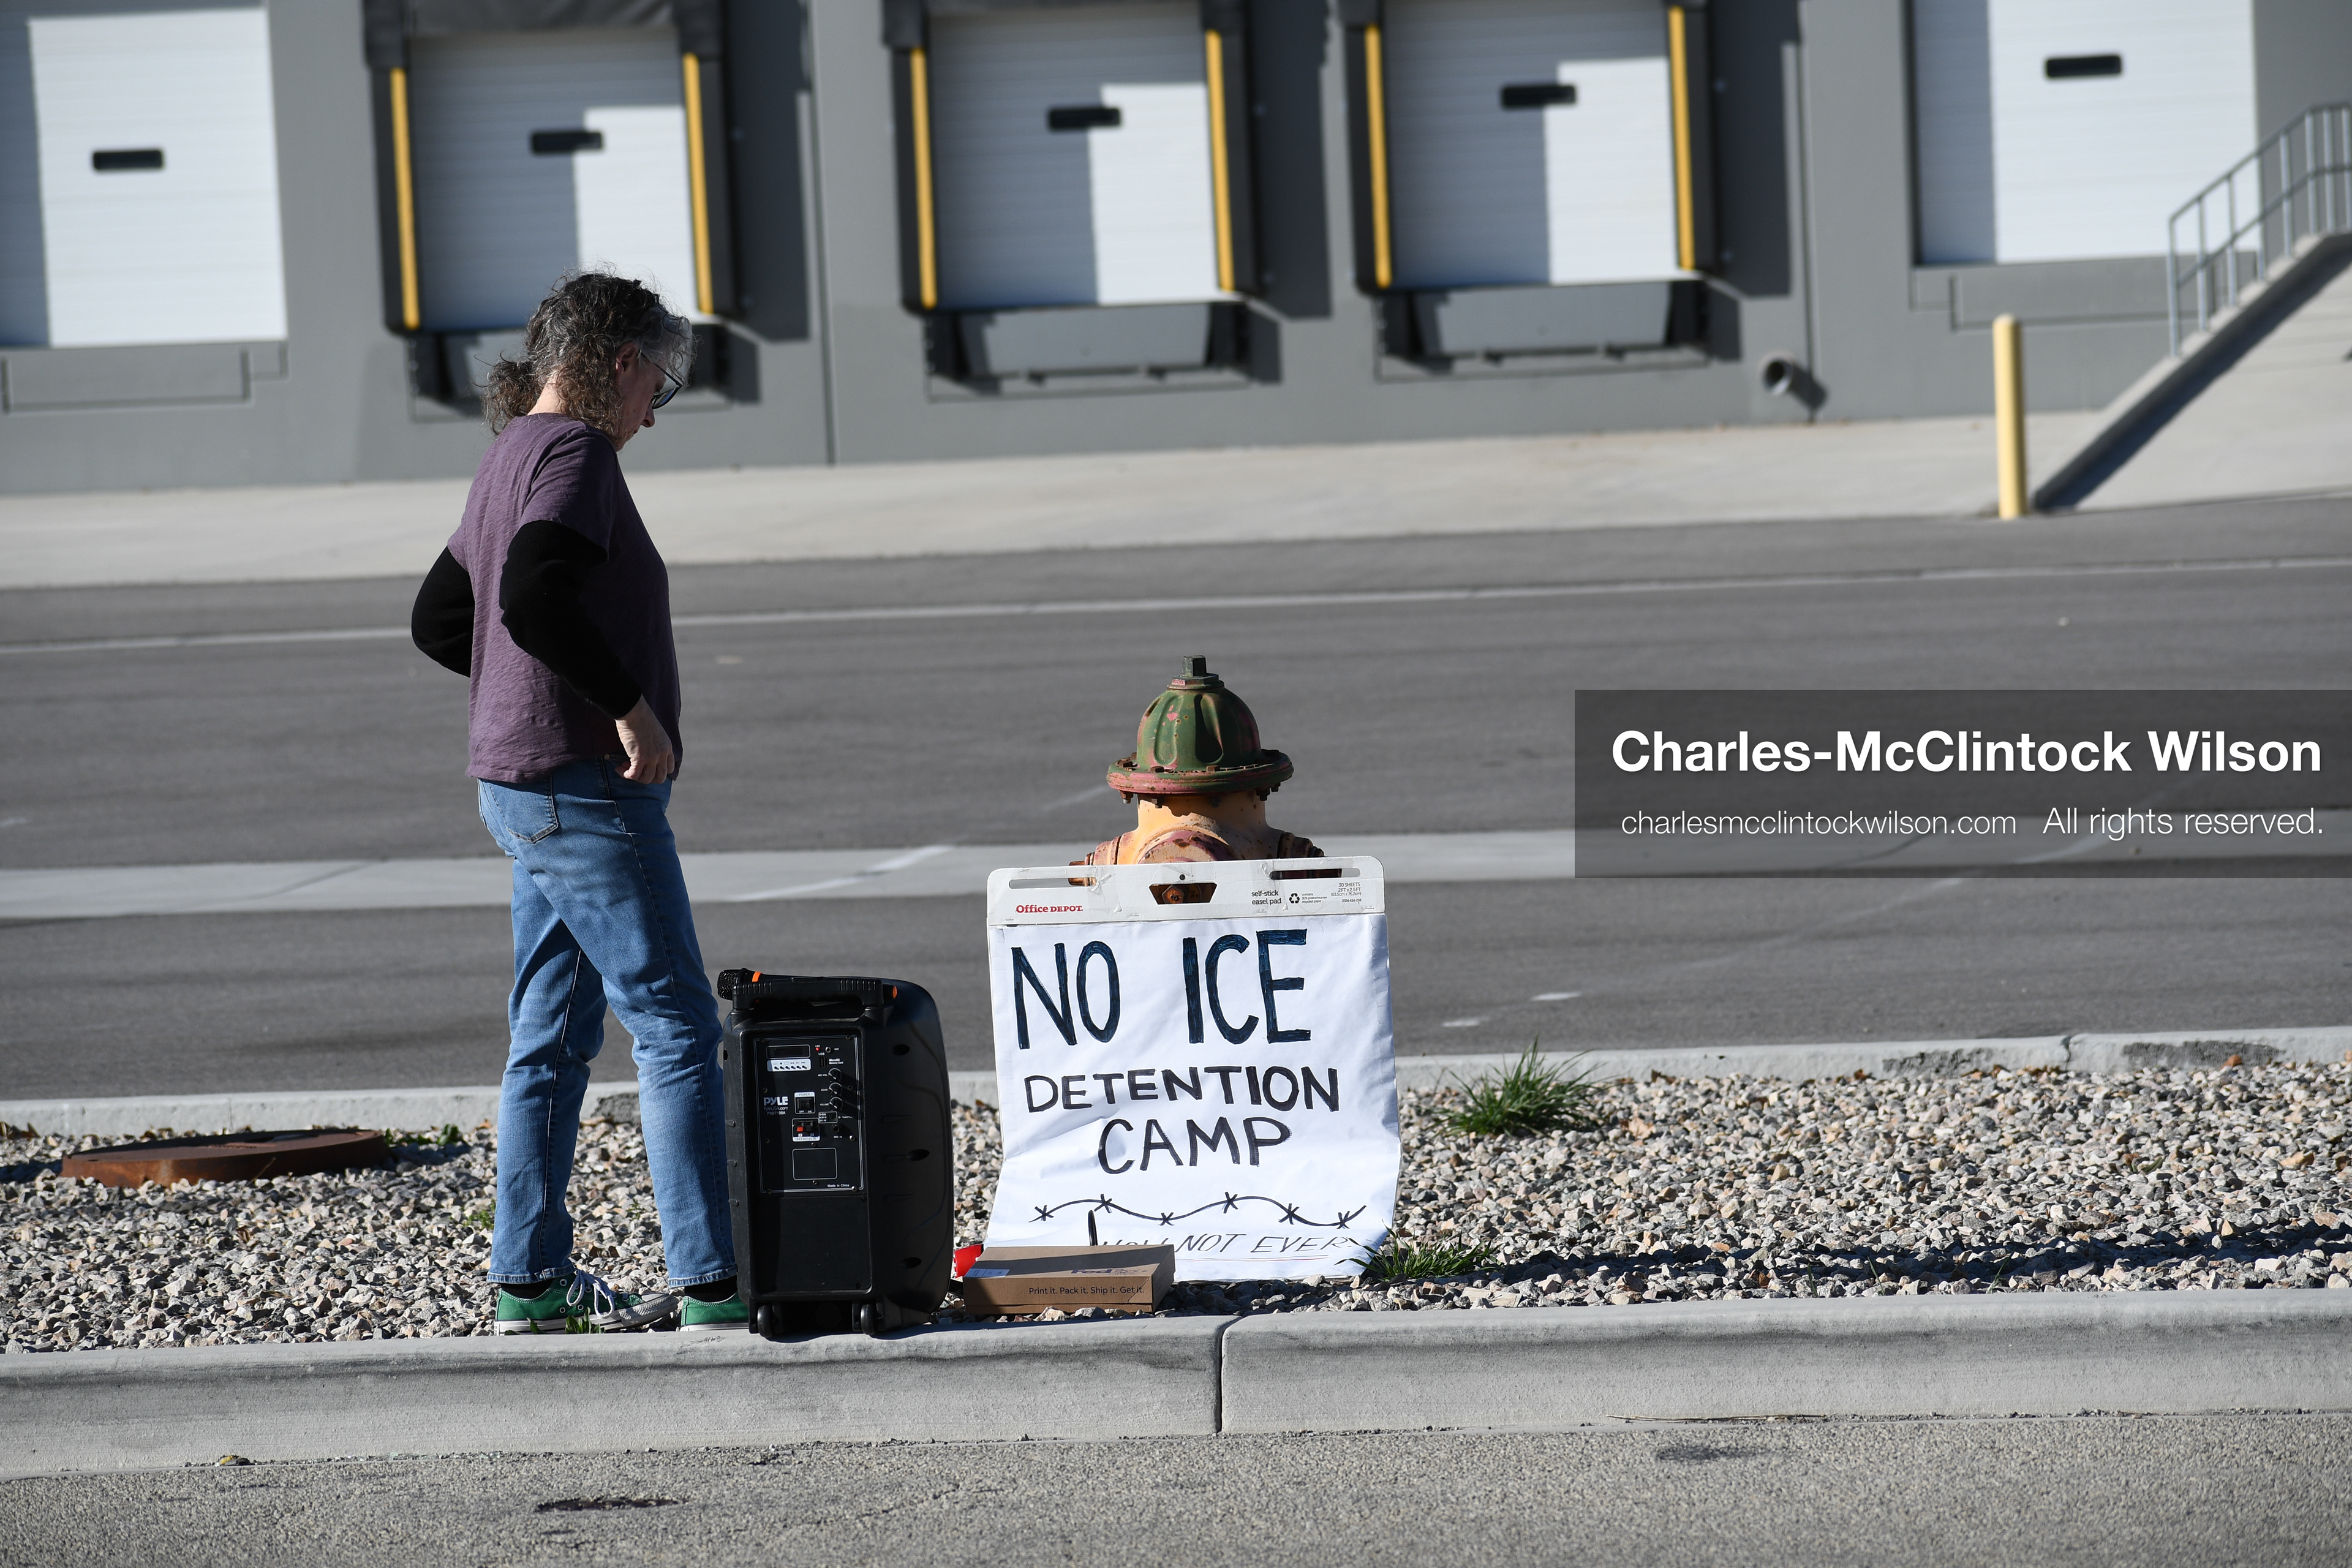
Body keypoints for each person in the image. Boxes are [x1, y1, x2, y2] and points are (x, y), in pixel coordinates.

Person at [409, 272, 746, 1335]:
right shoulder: (577, 454)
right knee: (677, 1025)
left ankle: (530, 1282)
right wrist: (627, 709)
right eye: (661, 383)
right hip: (586, 788)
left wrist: (518, 695)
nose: (655, 408)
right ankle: (712, 1284)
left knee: (551, 1036)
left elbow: (441, 618)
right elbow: (530, 594)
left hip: (521, 788)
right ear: (619, 362)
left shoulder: (509, 451)